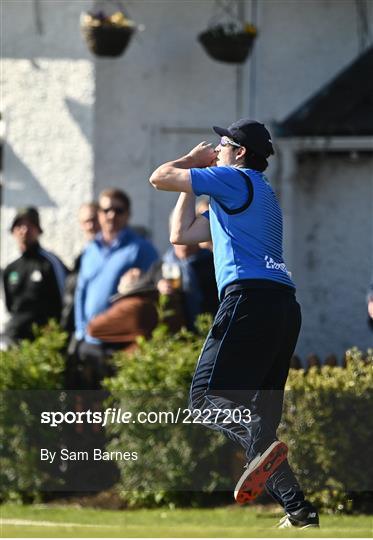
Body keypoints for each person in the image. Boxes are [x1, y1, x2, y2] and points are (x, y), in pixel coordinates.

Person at [149, 118, 319, 529]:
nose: (217, 149)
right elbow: (181, 234)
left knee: (205, 400)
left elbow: (159, 178)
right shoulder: (255, 193)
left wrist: (191, 162)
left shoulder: (232, 178)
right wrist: (195, 184)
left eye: (223, 144)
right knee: (263, 430)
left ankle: (262, 442)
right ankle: (299, 511)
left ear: (240, 153)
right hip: (282, 307)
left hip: (249, 300)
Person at [74, 188, 159, 388]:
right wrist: (80, 333)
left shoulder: (140, 248)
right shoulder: (90, 249)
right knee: (86, 411)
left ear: (128, 214)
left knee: (114, 411)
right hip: (89, 342)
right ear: (99, 214)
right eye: (106, 210)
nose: (111, 215)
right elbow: (81, 291)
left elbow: (150, 292)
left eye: (118, 210)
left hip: (120, 344)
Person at [3, 207, 67, 344]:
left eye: (30, 226)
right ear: (13, 231)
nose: (24, 230)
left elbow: (66, 301)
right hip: (15, 338)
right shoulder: (10, 269)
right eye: (20, 225)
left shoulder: (50, 263)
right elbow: (10, 307)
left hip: (43, 341)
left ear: (38, 230)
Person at [60, 202, 100, 334]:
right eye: (86, 222)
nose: (91, 226)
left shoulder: (115, 254)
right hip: (80, 331)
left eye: (94, 220)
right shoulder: (82, 257)